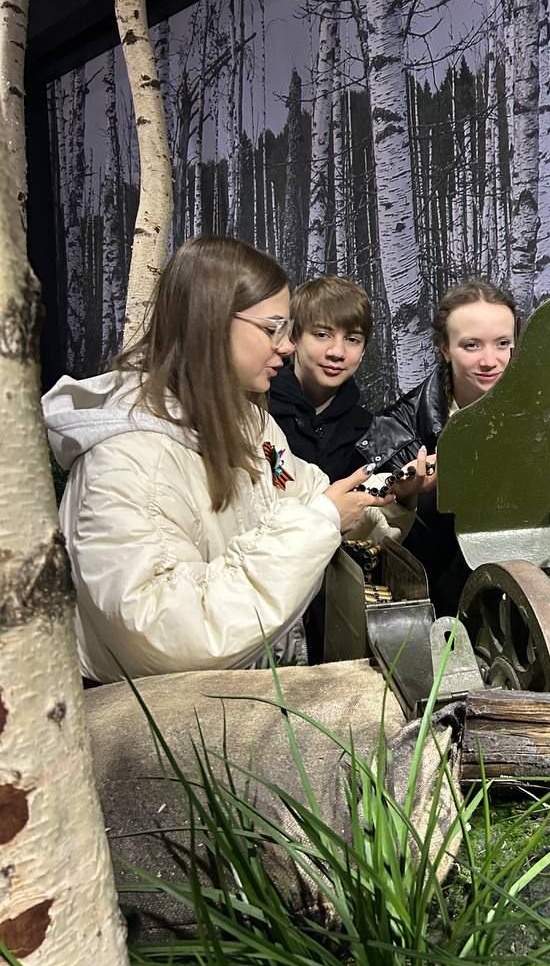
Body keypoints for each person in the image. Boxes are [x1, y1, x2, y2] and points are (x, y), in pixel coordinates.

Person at [42, 237, 423, 684]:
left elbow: (306, 494)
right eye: (273, 328)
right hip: (153, 712)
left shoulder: (250, 423)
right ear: (211, 323)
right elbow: (164, 633)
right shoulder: (129, 459)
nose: (287, 346)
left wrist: (388, 496)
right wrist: (321, 521)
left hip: (238, 694)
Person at [360, 280, 518, 613]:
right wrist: (408, 498)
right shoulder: (398, 431)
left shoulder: (545, 415)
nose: (490, 360)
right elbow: (380, 552)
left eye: (503, 343)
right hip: (444, 611)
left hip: (529, 605)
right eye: (472, 346)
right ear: (445, 349)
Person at [268, 276, 373, 481]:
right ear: (293, 336)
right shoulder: (258, 411)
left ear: (363, 350)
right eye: (322, 335)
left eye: (352, 339)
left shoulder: (369, 433)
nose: (337, 352)